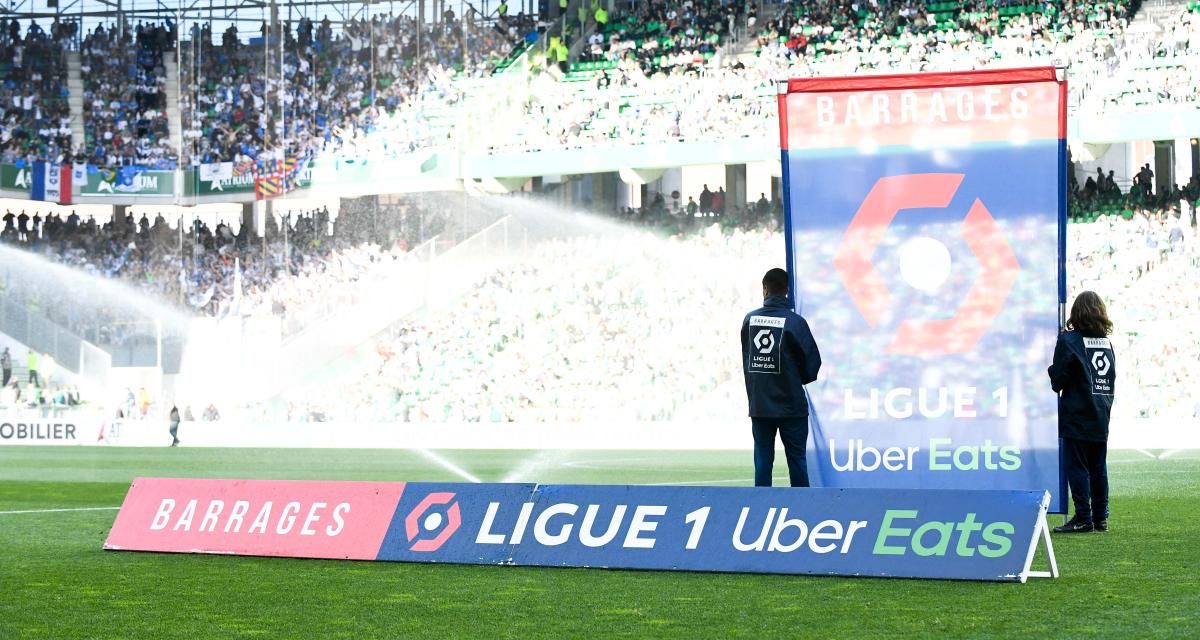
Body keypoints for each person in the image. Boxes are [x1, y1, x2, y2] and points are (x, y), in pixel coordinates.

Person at [740, 268, 822, 487]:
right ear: (786, 290)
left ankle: (761, 510)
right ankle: (802, 510)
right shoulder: (795, 322)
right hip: (791, 406)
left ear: (765, 289)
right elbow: (813, 364)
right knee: (797, 462)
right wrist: (794, 379)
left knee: (763, 463)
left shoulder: (750, 320)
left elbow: (748, 360)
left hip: (761, 406)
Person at [1049, 291, 1117, 533]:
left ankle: (1083, 517)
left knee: (1077, 466)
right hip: (1101, 412)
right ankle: (1100, 518)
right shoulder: (1106, 343)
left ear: (1076, 312)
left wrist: (1052, 366)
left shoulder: (1070, 340)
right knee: (1099, 467)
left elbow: (1058, 380)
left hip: (1078, 413)